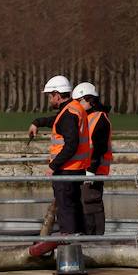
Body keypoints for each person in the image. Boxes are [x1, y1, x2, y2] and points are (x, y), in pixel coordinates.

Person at [39, 75, 91, 235]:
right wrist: (38, 122)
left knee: (66, 208)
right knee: (74, 207)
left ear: (57, 94)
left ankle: (68, 246)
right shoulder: (74, 108)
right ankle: (79, 242)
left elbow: (71, 145)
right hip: (76, 169)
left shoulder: (68, 114)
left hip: (66, 169)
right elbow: (56, 122)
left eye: (50, 96)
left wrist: (53, 166)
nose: (49, 99)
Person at [74, 82, 113, 236]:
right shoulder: (88, 117)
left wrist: (91, 171)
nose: (77, 105)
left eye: (79, 101)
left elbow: (99, 148)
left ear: (89, 100)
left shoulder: (100, 119)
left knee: (92, 205)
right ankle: (89, 236)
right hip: (84, 169)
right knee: (85, 205)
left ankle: (96, 238)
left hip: (94, 170)